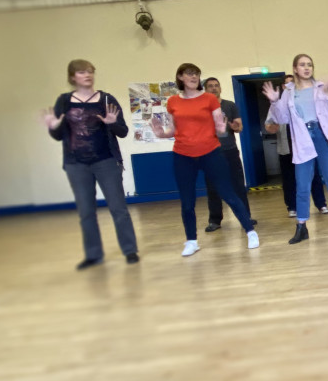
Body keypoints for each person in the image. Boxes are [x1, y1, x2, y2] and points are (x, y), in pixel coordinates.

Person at [151, 63, 258, 255]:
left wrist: (221, 126)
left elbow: (219, 127)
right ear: (181, 77)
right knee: (187, 201)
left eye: (197, 74)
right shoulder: (173, 101)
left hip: (211, 152)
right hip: (183, 155)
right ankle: (191, 241)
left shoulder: (209, 98)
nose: (194, 77)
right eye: (190, 74)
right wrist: (161, 134)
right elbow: (172, 130)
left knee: (228, 193)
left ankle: (250, 231)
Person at [42, 59, 139, 269]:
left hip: (106, 161)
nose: (87, 75)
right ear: (72, 77)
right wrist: (53, 126)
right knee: (86, 211)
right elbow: (58, 135)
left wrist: (113, 124)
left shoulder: (106, 99)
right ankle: (93, 254)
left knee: (118, 208)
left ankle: (130, 250)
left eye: (90, 72)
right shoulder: (64, 101)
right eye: (81, 72)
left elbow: (123, 132)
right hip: (76, 164)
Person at [263, 54, 328, 242]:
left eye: (309, 65)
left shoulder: (322, 87)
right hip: (303, 137)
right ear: (295, 69)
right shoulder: (288, 92)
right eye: (302, 65)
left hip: (323, 135)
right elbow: (282, 119)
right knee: (302, 185)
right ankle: (301, 227)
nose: (306, 68)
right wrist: (274, 101)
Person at [265, 75, 328, 217]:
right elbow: (269, 125)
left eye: (292, 83)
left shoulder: (303, 101)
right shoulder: (276, 105)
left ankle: (321, 204)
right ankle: (292, 207)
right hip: (286, 149)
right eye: (286, 84)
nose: (289, 86)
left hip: (305, 147)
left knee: (314, 176)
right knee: (289, 179)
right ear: (283, 87)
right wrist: (272, 127)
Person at [201, 77, 256, 232]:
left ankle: (246, 217)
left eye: (216, 85)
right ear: (205, 89)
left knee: (238, 185)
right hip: (210, 153)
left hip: (230, 151)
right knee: (213, 188)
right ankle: (215, 220)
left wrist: (234, 126)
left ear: (220, 88)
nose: (214, 88)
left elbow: (239, 127)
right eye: (210, 86)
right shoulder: (202, 108)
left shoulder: (230, 105)